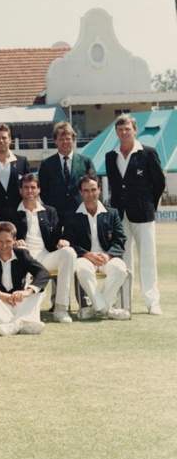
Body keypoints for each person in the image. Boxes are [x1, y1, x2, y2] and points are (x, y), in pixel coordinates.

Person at [104, 114, 166, 315]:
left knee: (147, 260)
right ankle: (123, 301)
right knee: (122, 262)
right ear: (116, 132)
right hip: (120, 216)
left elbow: (159, 184)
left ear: (135, 130)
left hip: (144, 214)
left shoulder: (148, 153)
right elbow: (115, 186)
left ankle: (152, 301)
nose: (123, 133)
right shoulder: (110, 156)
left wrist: (149, 205)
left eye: (127, 129)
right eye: (120, 130)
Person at [11, 174, 77, 323]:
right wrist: (14, 242)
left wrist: (62, 242)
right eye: (26, 187)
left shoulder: (50, 211)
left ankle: (61, 308)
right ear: (20, 190)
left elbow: (55, 238)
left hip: (46, 256)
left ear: (39, 190)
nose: (30, 191)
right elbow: (7, 236)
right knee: (21, 254)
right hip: (24, 257)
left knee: (69, 252)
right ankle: (26, 313)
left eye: (33, 187)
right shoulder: (12, 212)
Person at [63, 174, 129, 320]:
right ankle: (106, 309)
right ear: (80, 192)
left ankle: (95, 308)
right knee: (82, 268)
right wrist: (86, 254)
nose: (90, 194)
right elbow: (70, 242)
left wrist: (109, 255)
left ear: (99, 189)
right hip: (84, 257)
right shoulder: (71, 215)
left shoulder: (112, 213)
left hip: (107, 257)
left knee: (120, 268)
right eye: (86, 190)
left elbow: (120, 240)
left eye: (93, 189)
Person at [0, 222, 50, 336]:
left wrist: (27, 291)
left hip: (16, 303)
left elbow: (43, 272)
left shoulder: (22, 254)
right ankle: (24, 323)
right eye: (0, 241)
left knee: (39, 288)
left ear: (14, 240)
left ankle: (17, 324)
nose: (4, 246)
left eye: (8, 241)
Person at [38, 121, 95, 224]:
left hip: (81, 212)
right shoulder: (46, 164)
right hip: (56, 215)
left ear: (73, 140)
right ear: (55, 141)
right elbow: (43, 190)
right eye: (61, 139)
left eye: (68, 139)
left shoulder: (86, 162)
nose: (65, 142)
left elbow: (93, 187)